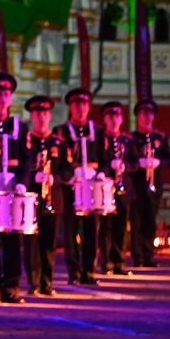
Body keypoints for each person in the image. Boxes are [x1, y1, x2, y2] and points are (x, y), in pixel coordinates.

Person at [0, 72, 27, 303]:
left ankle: (11, 284)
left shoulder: (19, 126)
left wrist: (22, 181)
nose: (3, 98)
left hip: (12, 185)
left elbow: (28, 158)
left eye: (6, 94)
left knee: (12, 237)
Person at [21, 96, 67, 296]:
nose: (41, 117)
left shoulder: (58, 142)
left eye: (45, 113)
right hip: (32, 199)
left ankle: (47, 282)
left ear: (49, 116)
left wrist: (54, 179)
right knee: (31, 244)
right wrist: (33, 176)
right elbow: (21, 168)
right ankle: (33, 282)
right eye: (37, 113)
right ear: (32, 116)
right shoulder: (26, 142)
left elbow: (68, 171)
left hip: (53, 200)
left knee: (49, 242)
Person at [59, 88, 104, 286]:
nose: (81, 108)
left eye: (84, 104)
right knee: (71, 230)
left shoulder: (99, 132)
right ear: (70, 107)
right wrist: (69, 175)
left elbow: (105, 158)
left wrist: (102, 173)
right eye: (77, 105)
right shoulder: (61, 132)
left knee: (91, 230)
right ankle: (74, 271)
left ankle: (89, 270)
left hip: (92, 187)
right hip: (71, 185)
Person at [96, 102, 135, 276]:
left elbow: (136, 162)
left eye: (117, 116)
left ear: (121, 119)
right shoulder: (100, 139)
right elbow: (97, 161)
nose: (114, 120)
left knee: (120, 226)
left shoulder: (126, 140)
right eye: (110, 116)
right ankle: (106, 262)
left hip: (123, 188)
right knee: (106, 227)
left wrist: (124, 166)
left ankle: (120, 261)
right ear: (104, 119)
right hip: (105, 188)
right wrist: (107, 168)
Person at [129, 100, 164, 267]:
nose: (146, 117)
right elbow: (128, 159)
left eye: (149, 114)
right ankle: (137, 256)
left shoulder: (160, 138)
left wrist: (158, 162)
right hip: (137, 184)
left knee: (151, 219)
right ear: (137, 117)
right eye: (143, 114)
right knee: (136, 220)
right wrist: (139, 162)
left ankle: (149, 254)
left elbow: (167, 158)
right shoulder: (132, 138)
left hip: (154, 184)